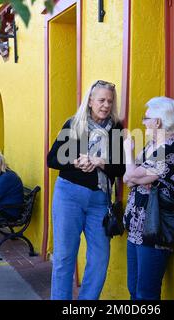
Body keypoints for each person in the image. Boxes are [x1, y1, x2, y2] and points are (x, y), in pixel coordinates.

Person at [47, 80, 125, 300]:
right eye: (101, 100)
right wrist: (76, 161)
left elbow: (120, 168)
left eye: (110, 101)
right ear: (90, 101)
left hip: (100, 201)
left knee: (100, 259)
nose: (106, 105)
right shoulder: (75, 125)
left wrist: (100, 161)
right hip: (69, 195)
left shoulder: (116, 128)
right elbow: (52, 159)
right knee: (64, 257)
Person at [123, 97, 174, 300]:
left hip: (155, 231)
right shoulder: (153, 146)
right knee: (134, 289)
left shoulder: (171, 148)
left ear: (158, 122)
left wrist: (128, 152)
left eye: (146, 118)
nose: (143, 123)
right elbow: (128, 179)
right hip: (137, 229)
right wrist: (136, 175)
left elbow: (133, 174)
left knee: (146, 294)